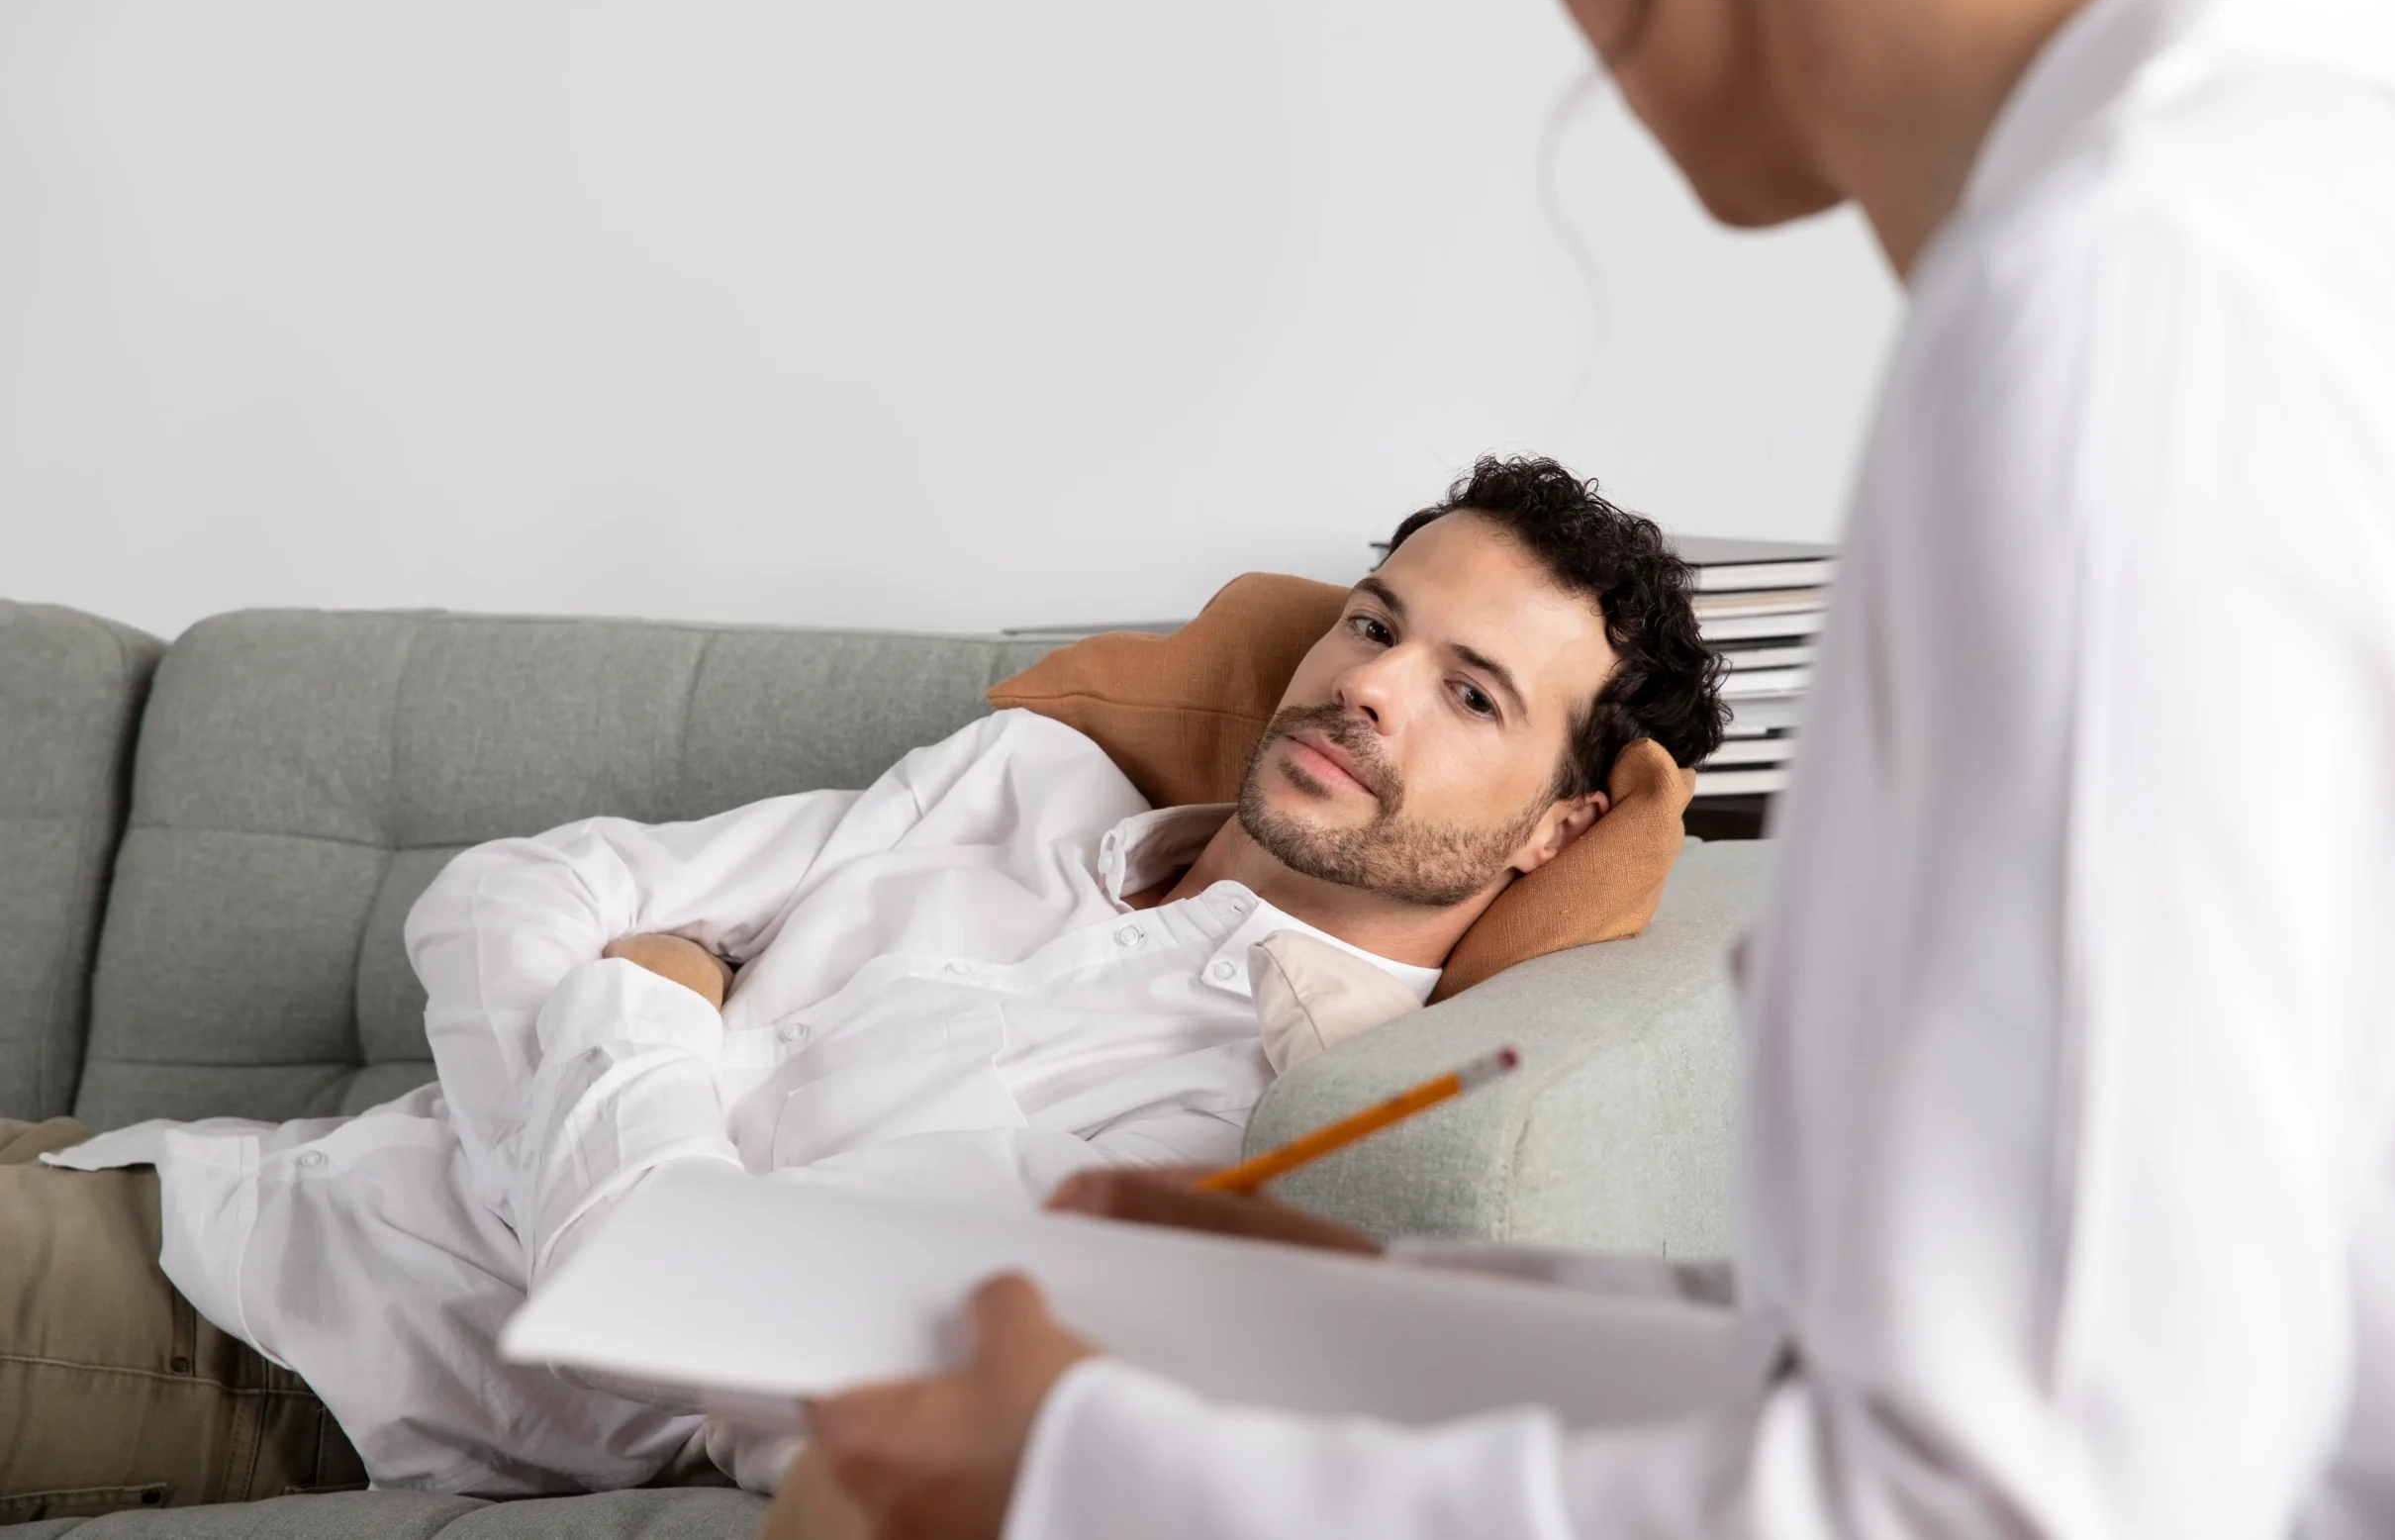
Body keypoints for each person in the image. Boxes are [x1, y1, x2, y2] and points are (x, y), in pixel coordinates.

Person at [795, 0, 2395, 1537]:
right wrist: (1393, 1339)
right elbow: (2096, 1342)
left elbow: (2024, 1504)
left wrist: (1088, 1483)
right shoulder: (2348, 241)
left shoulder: (2135, 325)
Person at [0, 456, 1726, 1507]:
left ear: (1554, 827)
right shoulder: (1023, 790)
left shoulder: (1242, 1119)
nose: (1372, 688)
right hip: (164, 1159)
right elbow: (512, 891)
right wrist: (642, 1150)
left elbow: (694, 1324)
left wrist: (648, 1000)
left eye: (1473, 695)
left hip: (259, 1350)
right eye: (1374, 621)